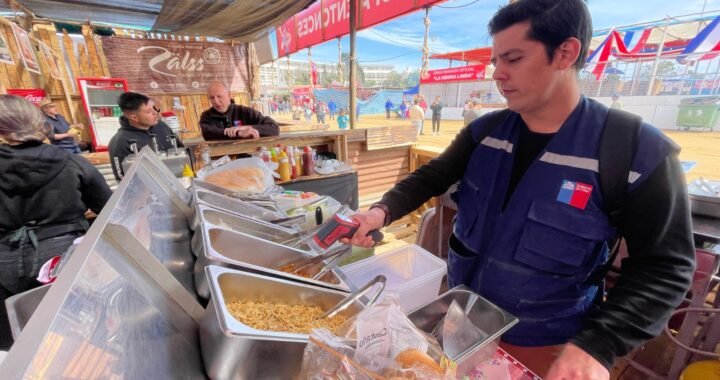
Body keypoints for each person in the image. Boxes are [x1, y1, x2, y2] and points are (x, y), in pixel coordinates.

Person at [344, 1, 695, 379]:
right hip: (457, 324)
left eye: (512, 59)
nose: (498, 74)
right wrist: (381, 211)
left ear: (565, 53)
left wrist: (599, 345)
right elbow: (431, 176)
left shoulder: (633, 151)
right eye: (496, 61)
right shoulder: (485, 133)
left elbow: (666, 267)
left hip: (552, 346)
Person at [0, 95, 111, 350]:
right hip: (66, 261)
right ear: (39, 123)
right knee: (80, 338)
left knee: (23, 344)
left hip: (6, 266)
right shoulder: (71, 162)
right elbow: (107, 207)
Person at [108, 92, 183, 181]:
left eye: (154, 108)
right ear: (134, 117)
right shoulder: (119, 142)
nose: (155, 113)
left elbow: (180, 149)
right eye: (148, 111)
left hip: (177, 182)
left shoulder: (161, 126)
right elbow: (122, 178)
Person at [199, 81, 279, 141]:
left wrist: (245, 128)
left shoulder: (245, 112)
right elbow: (208, 134)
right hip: (219, 159)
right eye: (212, 98)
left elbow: (274, 128)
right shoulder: (206, 116)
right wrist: (239, 133)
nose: (216, 101)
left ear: (229, 95)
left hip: (247, 156)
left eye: (219, 96)